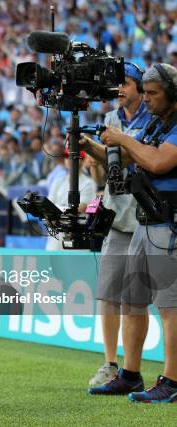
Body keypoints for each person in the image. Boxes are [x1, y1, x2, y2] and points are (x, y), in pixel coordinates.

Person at [84, 64, 177, 403]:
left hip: (170, 223)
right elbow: (125, 159)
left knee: (170, 307)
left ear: (172, 94)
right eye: (147, 93)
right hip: (146, 220)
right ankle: (131, 375)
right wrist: (91, 145)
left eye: (154, 93)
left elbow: (157, 162)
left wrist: (122, 137)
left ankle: (172, 380)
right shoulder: (156, 122)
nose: (148, 100)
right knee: (131, 301)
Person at [88, 63, 153, 387]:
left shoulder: (154, 118)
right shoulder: (110, 119)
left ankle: (132, 367)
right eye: (116, 85)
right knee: (109, 295)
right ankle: (110, 364)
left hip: (144, 216)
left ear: (140, 88)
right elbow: (101, 176)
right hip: (116, 216)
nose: (119, 90)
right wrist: (91, 157)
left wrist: (118, 143)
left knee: (136, 298)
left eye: (125, 83)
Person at [45, 151, 97, 251]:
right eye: (66, 157)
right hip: (56, 231)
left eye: (72, 158)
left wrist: (56, 212)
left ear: (82, 161)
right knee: (53, 263)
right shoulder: (58, 181)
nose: (69, 160)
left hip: (76, 232)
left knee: (76, 264)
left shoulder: (89, 183)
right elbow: (48, 204)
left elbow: (83, 207)